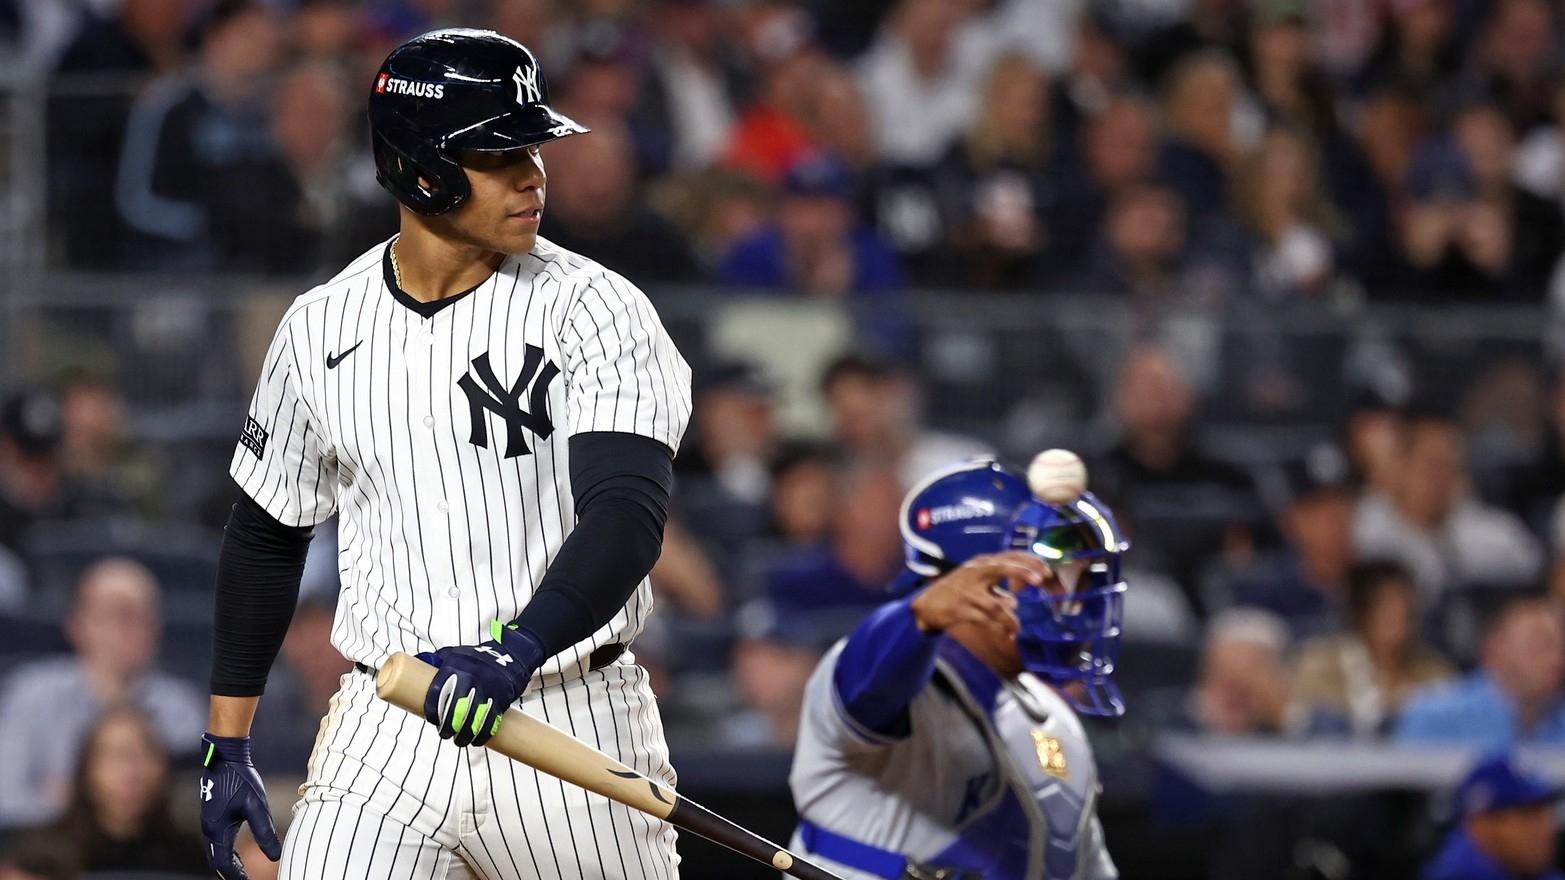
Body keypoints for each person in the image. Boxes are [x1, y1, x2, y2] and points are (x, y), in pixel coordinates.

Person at [196, 30, 692, 880]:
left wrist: (518, 647)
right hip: (390, 716)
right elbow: (268, 532)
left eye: (533, 148)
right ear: (419, 169)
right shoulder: (320, 326)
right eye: (500, 154)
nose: (534, 174)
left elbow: (628, 513)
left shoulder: (596, 308)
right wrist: (224, 740)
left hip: (565, 708)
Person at [789, 459, 1122, 878]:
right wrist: (919, 617)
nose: (1074, 600)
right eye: (1049, 576)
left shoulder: (1057, 722)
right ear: (977, 578)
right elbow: (867, 687)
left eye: (1077, 580)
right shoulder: (890, 679)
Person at [0, 558, 204, 828]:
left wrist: (70, 796)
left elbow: (196, 803)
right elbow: (6, 797)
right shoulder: (32, 694)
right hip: (53, 852)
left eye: (144, 616)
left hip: (148, 855)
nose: (132, 629)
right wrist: (85, 808)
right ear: (77, 625)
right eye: (118, 614)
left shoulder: (182, 706)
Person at [1353, 413, 1542, 597]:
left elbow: (1538, 582)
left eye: (1449, 465)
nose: (1440, 478)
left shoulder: (1495, 536)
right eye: (1431, 465)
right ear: (1401, 465)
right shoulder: (1363, 534)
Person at [33, 705, 206, 874]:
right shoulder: (45, 857)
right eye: (118, 754)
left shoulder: (192, 857)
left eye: (144, 752)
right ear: (88, 769)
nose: (132, 770)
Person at [1290, 560, 1454, 736]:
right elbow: (1302, 722)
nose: (1398, 613)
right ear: (1361, 610)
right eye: (1386, 604)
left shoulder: (1435, 672)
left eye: (1406, 604)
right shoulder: (1321, 666)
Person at [1395, 598, 1565, 748]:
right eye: (1542, 645)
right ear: (1494, 650)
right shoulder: (1433, 717)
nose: (1557, 658)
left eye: (1561, 647)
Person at [1421, 752, 1565, 880]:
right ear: (1480, 824)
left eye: (1546, 814)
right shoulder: (1455, 875)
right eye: (1529, 816)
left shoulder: (1529, 870)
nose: (1546, 829)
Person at [1187, 608, 1292, 735]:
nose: (1234, 687)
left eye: (1249, 672)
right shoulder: (1178, 723)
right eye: (1223, 671)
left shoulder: (1304, 725)